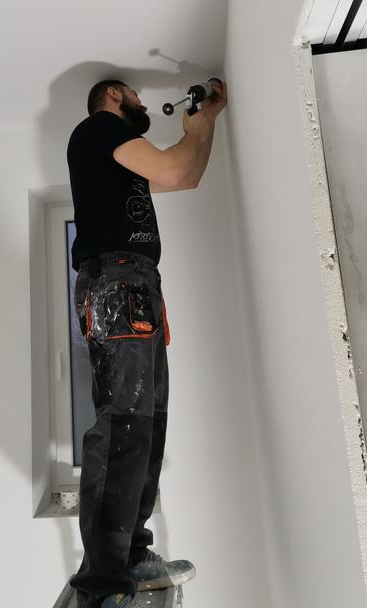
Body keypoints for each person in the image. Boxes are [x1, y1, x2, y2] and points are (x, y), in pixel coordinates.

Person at [66, 78, 227, 608]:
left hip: (135, 282)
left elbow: (186, 175)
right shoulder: (98, 128)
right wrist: (195, 131)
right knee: (124, 423)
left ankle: (132, 555)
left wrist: (205, 123)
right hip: (117, 279)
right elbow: (176, 169)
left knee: (148, 423)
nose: (141, 105)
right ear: (115, 95)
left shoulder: (120, 164)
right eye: (135, 96)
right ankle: (102, 585)